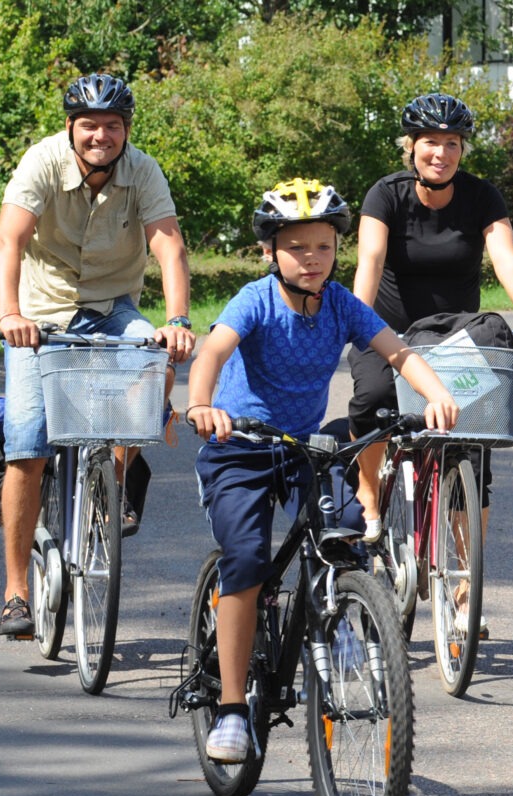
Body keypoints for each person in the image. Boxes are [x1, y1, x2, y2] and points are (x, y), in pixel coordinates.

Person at [186, 178, 458, 763]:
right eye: (297, 247)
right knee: (248, 560)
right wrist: (201, 405)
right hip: (240, 443)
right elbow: (212, 352)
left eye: (324, 247)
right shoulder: (255, 300)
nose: (313, 259)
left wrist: (433, 395)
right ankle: (232, 707)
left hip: (303, 446)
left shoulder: (340, 305)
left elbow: (400, 352)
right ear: (270, 252)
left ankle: (342, 620)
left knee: (344, 538)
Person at [0, 73, 195, 639]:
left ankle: (114, 480)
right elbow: (9, 240)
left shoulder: (144, 170)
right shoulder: (42, 161)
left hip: (112, 306)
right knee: (28, 441)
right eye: (89, 126)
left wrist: (176, 321)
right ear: (70, 128)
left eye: (112, 125)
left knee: (154, 361)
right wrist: (11, 314)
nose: (100, 135)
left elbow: (169, 245)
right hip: (40, 314)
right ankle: (15, 592)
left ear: (126, 129)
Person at [348, 92, 513, 636]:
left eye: (452, 144)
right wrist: (355, 321)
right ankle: (369, 498)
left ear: (462, 149)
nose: (441, 153)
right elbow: (368, 260)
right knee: (370, 402)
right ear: (411, 147)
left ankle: (463, 590)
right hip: (388, 333)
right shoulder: (385, 194)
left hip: (455, 338)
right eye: (430, 143)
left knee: (472, 448)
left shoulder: (482, 196)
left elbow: (504, 256)